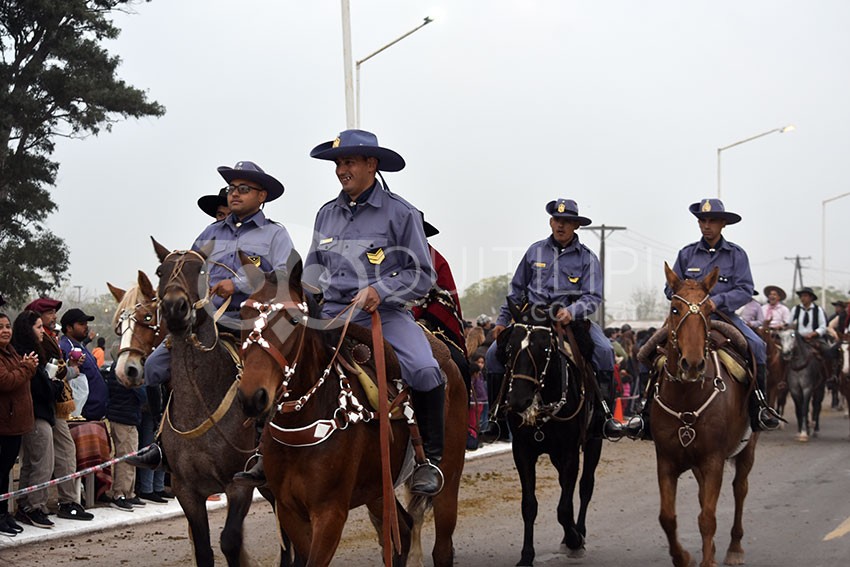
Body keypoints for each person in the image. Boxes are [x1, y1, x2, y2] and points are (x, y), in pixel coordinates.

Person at [302, 128, 444, 496]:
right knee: (276, 360)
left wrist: (380, 290)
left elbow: (422, 275)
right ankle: (263, 453)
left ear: (371, 164)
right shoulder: (325, 215)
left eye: (348, 162)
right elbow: (312, 272)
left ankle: (428, 460)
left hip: (386, 315)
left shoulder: (402, 213)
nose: (340, 170)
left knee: (426, 371)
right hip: (331, 313)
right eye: (337, 163)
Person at [130, 160, 294, 471]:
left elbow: (285, 277)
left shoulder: (275, 235)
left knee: (269, 375)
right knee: (153, 367)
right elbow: (190, 274)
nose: (234, 194)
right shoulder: (209, 232)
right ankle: (162, 441)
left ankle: (263, 446)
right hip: (207, 322)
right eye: (232, 188)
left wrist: (239, 283)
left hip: (254, 322)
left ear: (262, 196)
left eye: (243, 189)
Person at [633, 199, 780, 437]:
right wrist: (687, 297)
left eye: (712, 221)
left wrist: (715, 302)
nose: (707, 225)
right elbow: (670, 289)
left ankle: (759, 407)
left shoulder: (736, 255)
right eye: (703, 220)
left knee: (757, 346)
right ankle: (644, 413)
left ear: (723, 224)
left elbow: (744, 289)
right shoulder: (687, 253)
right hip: (686, 318)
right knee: (645, 351)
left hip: (724, 316)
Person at [486, 198, 620, 436]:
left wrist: (572, 311)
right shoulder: (534, 251)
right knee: (491, 356)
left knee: (605, 351)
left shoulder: (587, 258)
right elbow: (516, 291)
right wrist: (502, 321)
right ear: (551, 222)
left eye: (567, 222)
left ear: (576, 226)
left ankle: (604, 417)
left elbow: (593, 296)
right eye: (558, 220)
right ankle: (495, 418)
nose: (561, 226)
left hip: (569, 320)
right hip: (531, 319)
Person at [24, 297, 93, 521]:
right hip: (42, 405)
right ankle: (35, 505)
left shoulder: (49, 337)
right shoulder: (36, 340)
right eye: (49, 313)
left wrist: (69, 370)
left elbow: (55, 372)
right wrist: (70, 370)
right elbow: (48, 374)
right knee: (44, 457)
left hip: (55, 404)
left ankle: (66, 501)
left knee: (61, 452)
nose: (54, 317)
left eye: (54, 312)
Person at [11, 310, 65, 529]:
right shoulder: (26, 355)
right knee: (43, 462)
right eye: (38, 327)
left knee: (31, 464)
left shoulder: (31, 353)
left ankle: (25, 504)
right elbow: (40, 388)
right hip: (36, 415)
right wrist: (56, 386)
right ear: (27, 330)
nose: (43, 331)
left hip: (37, 413)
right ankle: (35, 506)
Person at [0, 312, 37, 536]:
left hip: (15, 424)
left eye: (7, 326)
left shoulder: (10, 351)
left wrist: (24, 366)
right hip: (3, 424)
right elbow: (6, 381)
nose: (5, 330)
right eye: (0, 327)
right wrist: (26, 368)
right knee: (1, 472)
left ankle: (4, 514)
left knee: (4, 473)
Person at [105, 364, 145, 512]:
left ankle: (129, 492)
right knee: (126, 457)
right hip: (125, 417)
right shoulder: (129, 371)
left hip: (121, 415)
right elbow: (143, 395)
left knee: (130, 456)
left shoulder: (117, 366)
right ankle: (120, 494)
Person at [59, 308, 107, 421]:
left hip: (93, 414)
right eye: (81, 324)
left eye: (86, 323)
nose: (86, 327)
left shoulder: (80, 346)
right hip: (81, 416)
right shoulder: (65, 347)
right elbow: (63, 376)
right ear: (69, 328)